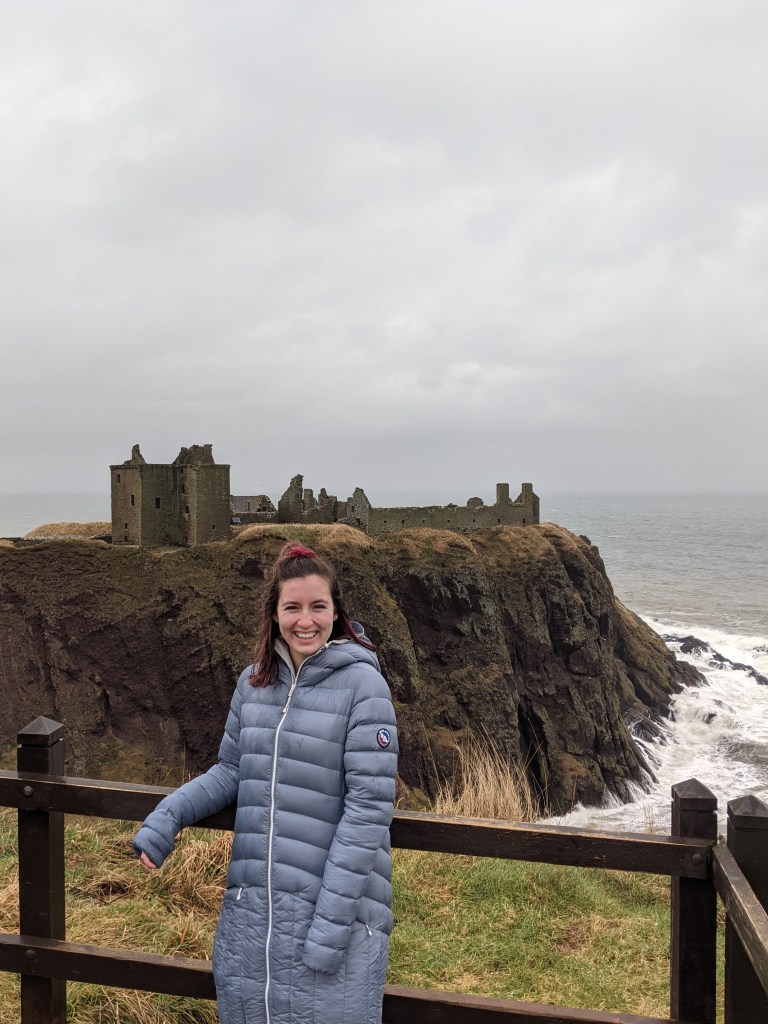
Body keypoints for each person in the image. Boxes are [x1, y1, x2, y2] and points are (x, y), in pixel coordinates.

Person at [133, 542, 398, 1024]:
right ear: (274, 614)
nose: (306, 620)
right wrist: (167, 817)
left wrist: (329, 927)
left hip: (333, 916)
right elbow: (232, 770)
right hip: (255, 915)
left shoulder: (365, 688)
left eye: (318, 606)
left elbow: (369, 811)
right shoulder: (253, 683)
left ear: (336, 611)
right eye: (292, 607)